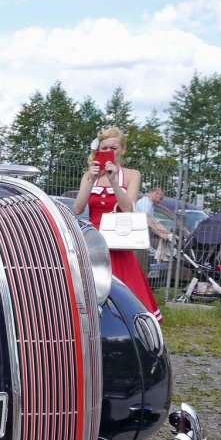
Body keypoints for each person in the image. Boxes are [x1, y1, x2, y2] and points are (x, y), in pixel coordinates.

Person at [73, 126, 161, 321]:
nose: (107, 152)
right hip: (93, 243)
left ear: (122, 149)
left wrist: (114, 182)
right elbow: (78, 209)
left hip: (119, 242)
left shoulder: (131, 175)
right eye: (103, 148)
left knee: (126, 295)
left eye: (113, 147)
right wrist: (91, 180)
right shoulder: (89, 176)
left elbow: (128, 208)